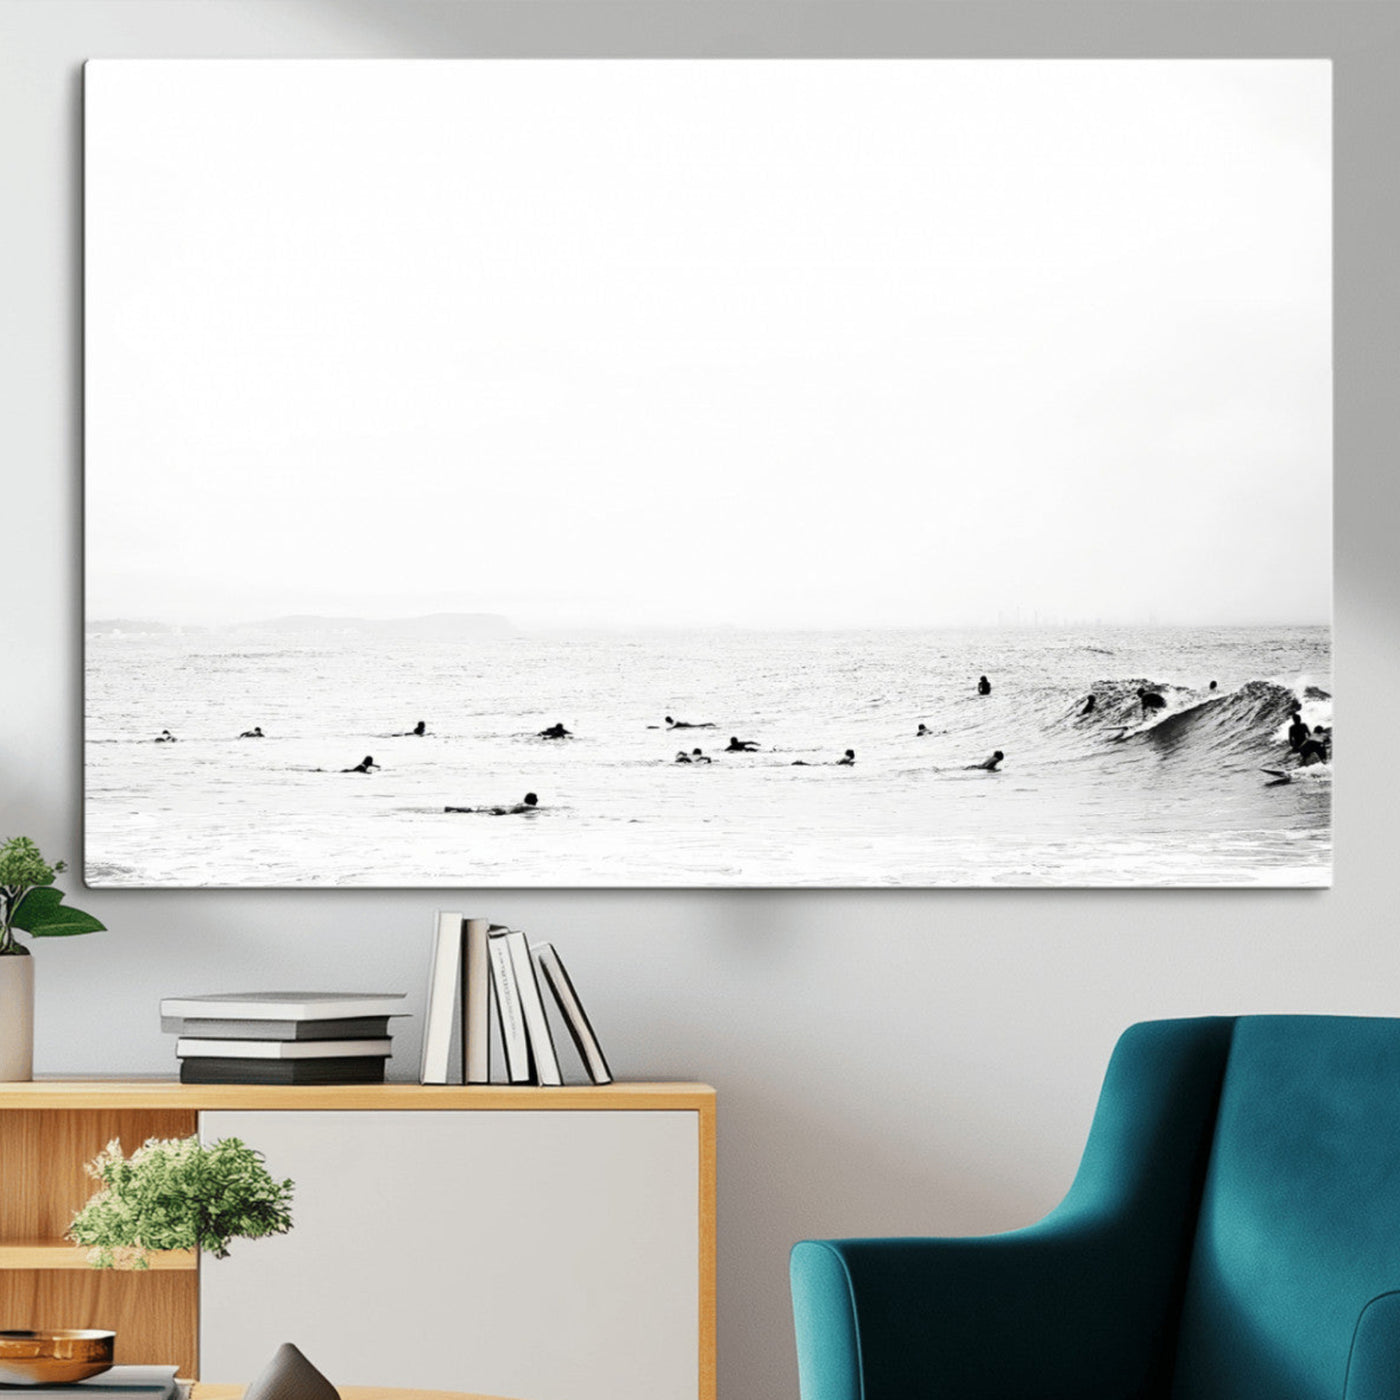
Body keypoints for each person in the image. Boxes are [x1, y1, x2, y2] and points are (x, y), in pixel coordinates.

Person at [445, 792, 540, 815]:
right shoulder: (528, 806)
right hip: (503, 812)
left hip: (502, 810)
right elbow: (538, 809)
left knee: (474, 811)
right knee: (474, 811)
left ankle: (451, 808)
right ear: (531, 800)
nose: (537, 800)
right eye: (536, 799)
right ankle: (453, 809)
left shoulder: (519, 804)